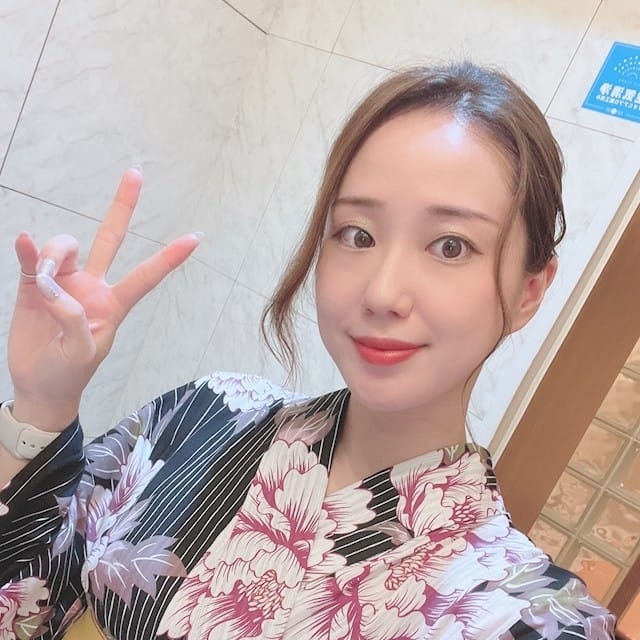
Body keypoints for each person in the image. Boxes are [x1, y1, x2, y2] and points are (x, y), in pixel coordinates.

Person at [0, 62, 616, 640]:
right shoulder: (209, 410)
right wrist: (41, 409)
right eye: (357, 234)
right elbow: (28, 602)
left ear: (530, 290)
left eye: (450, 246)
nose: (382, 292)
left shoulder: (523, 616)